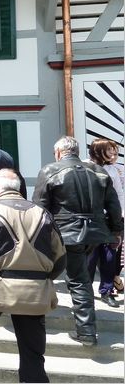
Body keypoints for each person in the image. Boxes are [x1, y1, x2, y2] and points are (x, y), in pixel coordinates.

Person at [0, 169, 66, 383]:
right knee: (32, 346)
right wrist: (42, 278)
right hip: (35, 291)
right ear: (18, 188)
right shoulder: (43, 213)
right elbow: (60, 258)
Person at [32, 136, 123, 346]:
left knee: (78, 280)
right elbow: (114, 205)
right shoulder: (98, 171)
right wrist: (117, 231)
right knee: (81, 277)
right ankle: (86, 323)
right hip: (94, 233)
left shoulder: (50, 170)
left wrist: (39, 236)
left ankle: (87, 331)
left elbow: (40, 208)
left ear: (58, 152)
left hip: (68, 233)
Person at [86, 138, 124, 308]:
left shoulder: (113, 170)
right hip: (91, 218)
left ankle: (107, 291)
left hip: (110, 218)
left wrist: (120, 215)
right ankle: (86, 291)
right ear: (98, 151)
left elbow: (119, 194)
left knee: (109, 256)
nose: (113, 154)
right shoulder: (85, 166)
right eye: (109, 150)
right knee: (90, 257)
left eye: (114, 151)